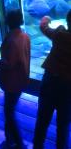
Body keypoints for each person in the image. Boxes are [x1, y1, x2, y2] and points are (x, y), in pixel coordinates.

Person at [33, 12, 71, 149]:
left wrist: (46, 18)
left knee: (42, 121)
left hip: (50, 83)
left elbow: (44, 27)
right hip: (68, 88)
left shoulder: (60, 34)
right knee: (64, 125)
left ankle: (38, 146)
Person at [0, 9, 30, 149]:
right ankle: (9, 139)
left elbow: (9, 63)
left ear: (8, 21)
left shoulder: (13, 39)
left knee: (9, 113)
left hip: (12, 81)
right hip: (20, 79)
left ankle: (19, 143)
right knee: (9, 110)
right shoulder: (24, 36)